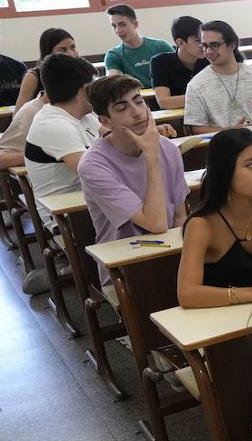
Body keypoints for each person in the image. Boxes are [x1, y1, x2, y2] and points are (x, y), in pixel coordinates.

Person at [79, 75, 189, 280]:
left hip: (172, 254)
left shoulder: (168, 148)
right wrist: (152, 156)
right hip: (126, 268)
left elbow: (180, 215)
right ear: (105, 121)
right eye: (122, 108)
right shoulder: (92, 165)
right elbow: (155, 224)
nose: (138, 113)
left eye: (139, 101)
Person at [177, 128, 252, 308]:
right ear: (225, 171)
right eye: (251, 165)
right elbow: (187, 294)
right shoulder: (201, 225)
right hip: (221, 322)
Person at [24, 54, 99, 225]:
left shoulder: (84, 114)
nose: (99, 93)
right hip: (67, 218)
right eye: (95, 87)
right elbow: (92, 173)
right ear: (83, 91)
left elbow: (115, 138)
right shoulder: (54, 125)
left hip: (88, 203)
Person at [184, 20, 252, 134]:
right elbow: (197, 129)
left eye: (215, 45)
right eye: (204, 46)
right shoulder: (196, 85)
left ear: (232, 44)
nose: (208, 51)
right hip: (223, 145)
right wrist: (230, 131)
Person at [104, 4, 174, 89]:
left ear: (135, 24)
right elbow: (111, 80)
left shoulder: (160, 46)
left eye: (122, 24)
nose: (118, 30)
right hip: (136, 99)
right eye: (114, 26)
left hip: (167, 95)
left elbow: (179, 70)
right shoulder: (113, 55)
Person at [150, 16, 208, 110]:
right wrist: (206, 98)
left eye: (204, 39)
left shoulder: (210, 58)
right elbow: (164, 102)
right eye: (198, 40)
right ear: (180, 43)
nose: (204, 45)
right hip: (176, 119)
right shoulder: (160, 62)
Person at [15, 28, 76, 111]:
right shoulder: (33, 77)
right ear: (48, 53)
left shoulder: (78, 75)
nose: (71, 54)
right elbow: (18, 114)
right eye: (63, 50)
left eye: (72, 48)